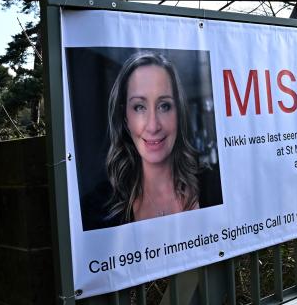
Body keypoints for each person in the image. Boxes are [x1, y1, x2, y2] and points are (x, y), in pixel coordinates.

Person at [83, 51, 220, 229]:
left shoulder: (214, 186)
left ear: (179, 113)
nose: (153, 126)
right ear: (125, 118)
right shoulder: (95, 209)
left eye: (164, 106)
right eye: (139, 107)